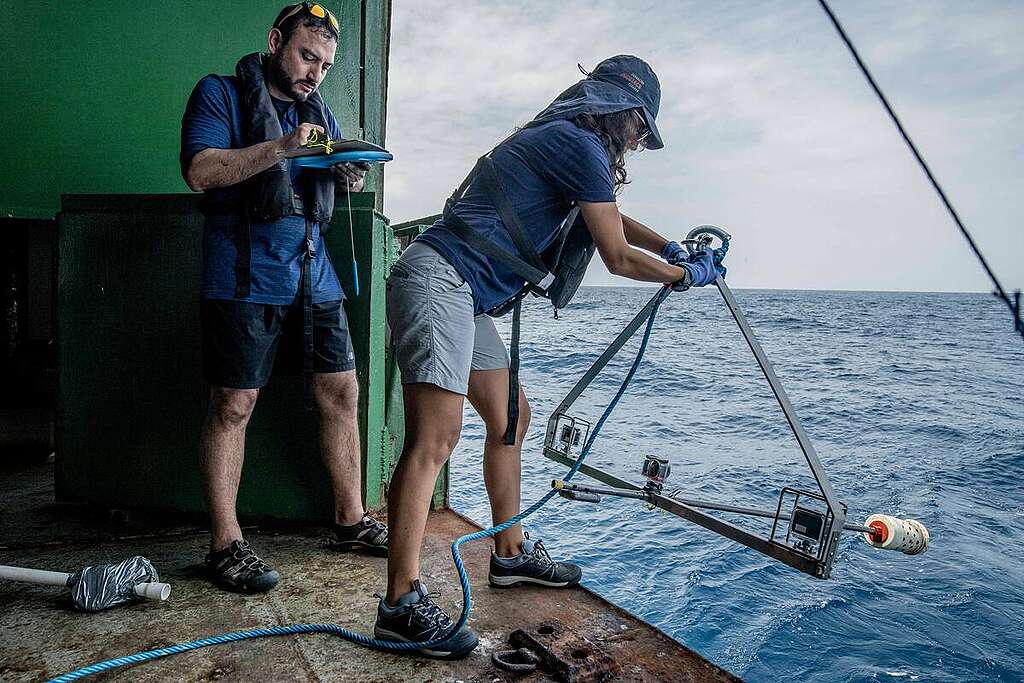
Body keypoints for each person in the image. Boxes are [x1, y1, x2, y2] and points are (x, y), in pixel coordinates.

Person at [375, 55, 726, 657]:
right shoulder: (580, 145)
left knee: (512, 415)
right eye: (642, 127)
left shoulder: (572, 144)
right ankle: (400, 603)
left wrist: (669, 243)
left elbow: (608, 217)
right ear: (620, 112)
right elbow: (615, 252)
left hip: (466, 292)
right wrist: (682, 273)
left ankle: (509, 554)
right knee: (436, 436)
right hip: (439, 280)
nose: (640, 140)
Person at [179, 2, 388, 594]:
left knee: (341, 388)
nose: (313, 72)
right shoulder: (219, 93)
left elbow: (313, 176)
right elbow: (200, 170)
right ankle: (225, 545)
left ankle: (350, 521)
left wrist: (343, 173)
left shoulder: (319, 113)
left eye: (323, 64)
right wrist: (283, 148)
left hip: (312, 268)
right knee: (235, 403)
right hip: (243, 269)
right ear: (276, 41)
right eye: (305, 56)